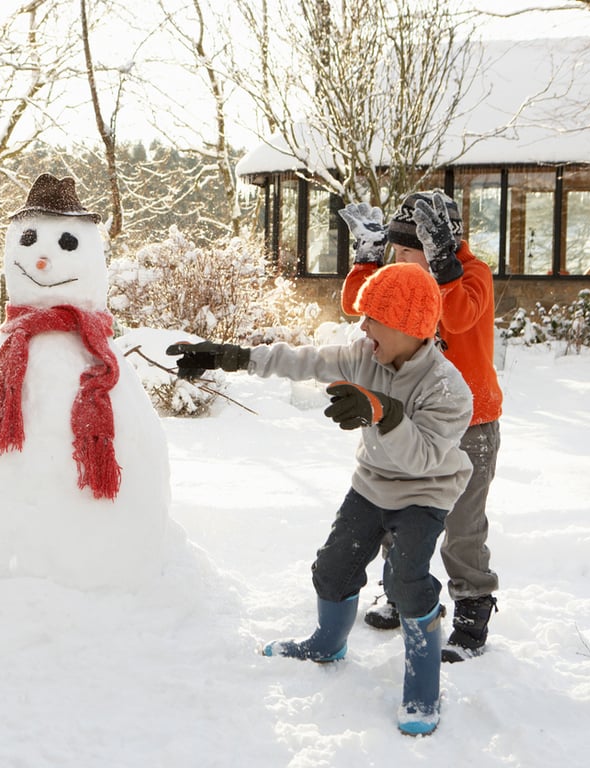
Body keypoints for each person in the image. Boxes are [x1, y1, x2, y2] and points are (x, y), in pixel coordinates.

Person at [168, 262, 473, 736]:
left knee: (408, 580)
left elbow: (425, 458)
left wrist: (382, 410)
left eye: (373, 317)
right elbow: (303, 359)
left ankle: (423, 687)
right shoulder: (363, 356)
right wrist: (232, 356)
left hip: (425, 493)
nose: (363, 326)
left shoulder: (448, 388)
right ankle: (327, 643)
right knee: (333, 567)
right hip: (371, 485)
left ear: (409, 327)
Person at [339, 191, 503, 663]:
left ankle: (473, 608)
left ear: (441, 244)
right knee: (398, 508)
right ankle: (398, 590)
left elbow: (458, 314)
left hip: (472, 424)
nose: (403, 263)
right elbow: (359, 306)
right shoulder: (405, 279)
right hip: (409, 420)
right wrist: (367, 261)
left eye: (411, 252)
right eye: (396, 252)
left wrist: (445, 266)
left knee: (463, 524)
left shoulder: (471, 275)